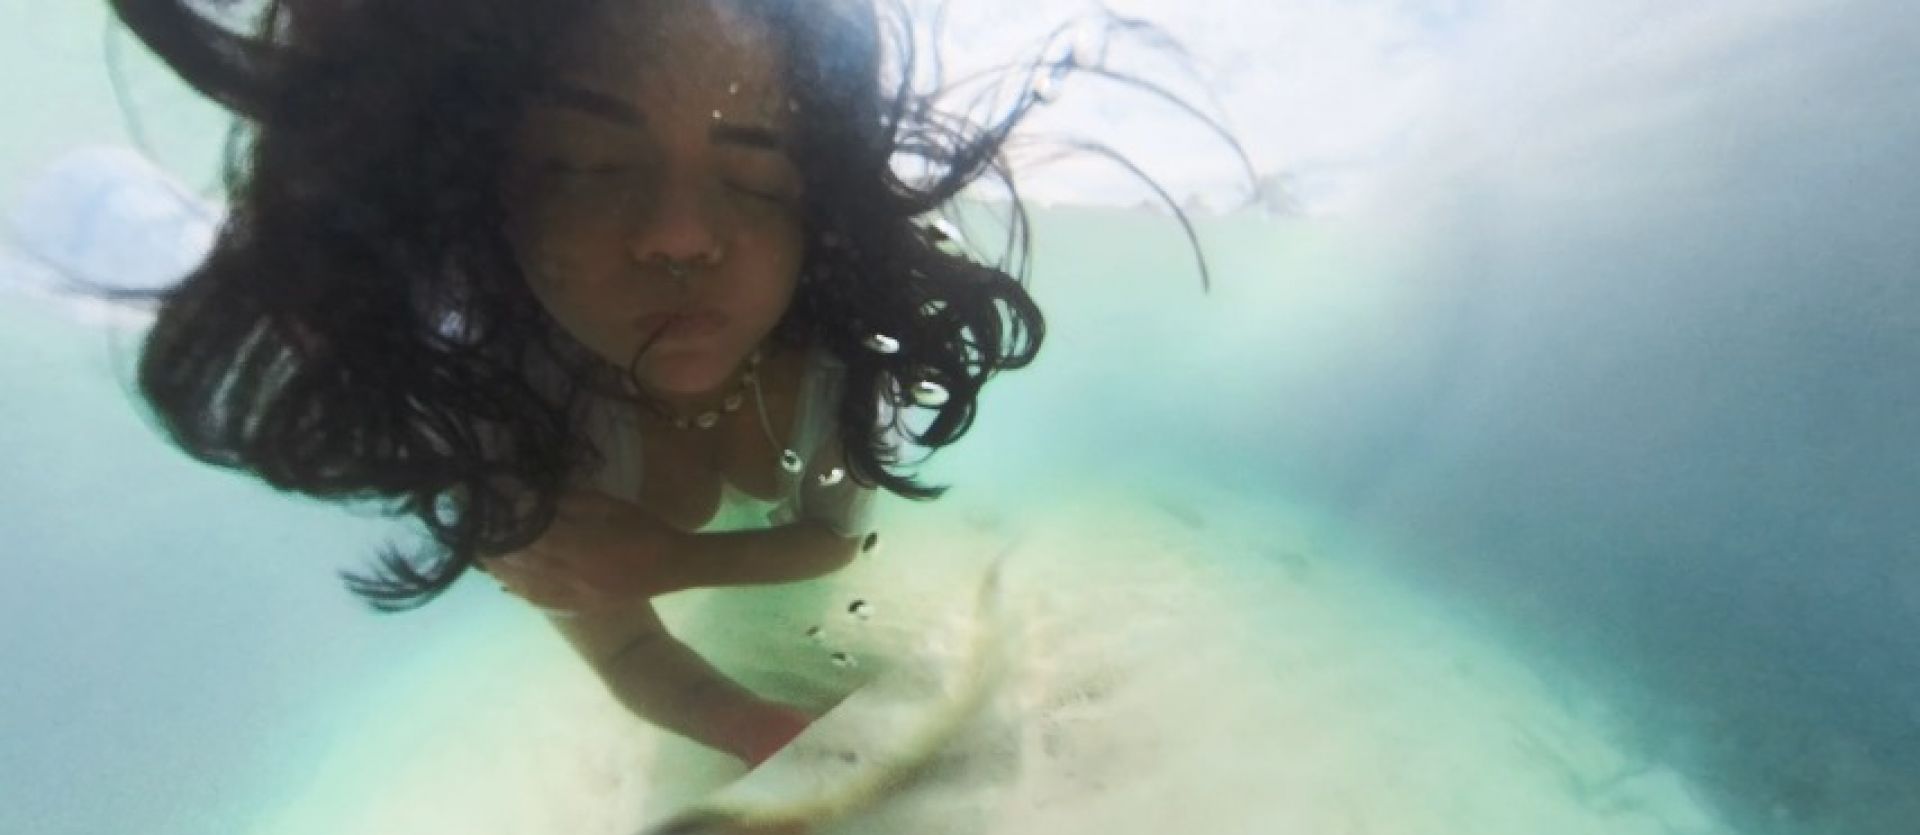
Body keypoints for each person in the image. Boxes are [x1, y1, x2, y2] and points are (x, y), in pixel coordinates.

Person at [103, 0, 1238, 767]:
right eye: (594, 172)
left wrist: (674, 560)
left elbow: (839, 537)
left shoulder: (819, 359)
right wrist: (794, 750)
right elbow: (636, 655)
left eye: (752, 179)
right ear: (499, 206)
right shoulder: (512, 425)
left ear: (813, 217)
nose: (681, 235)